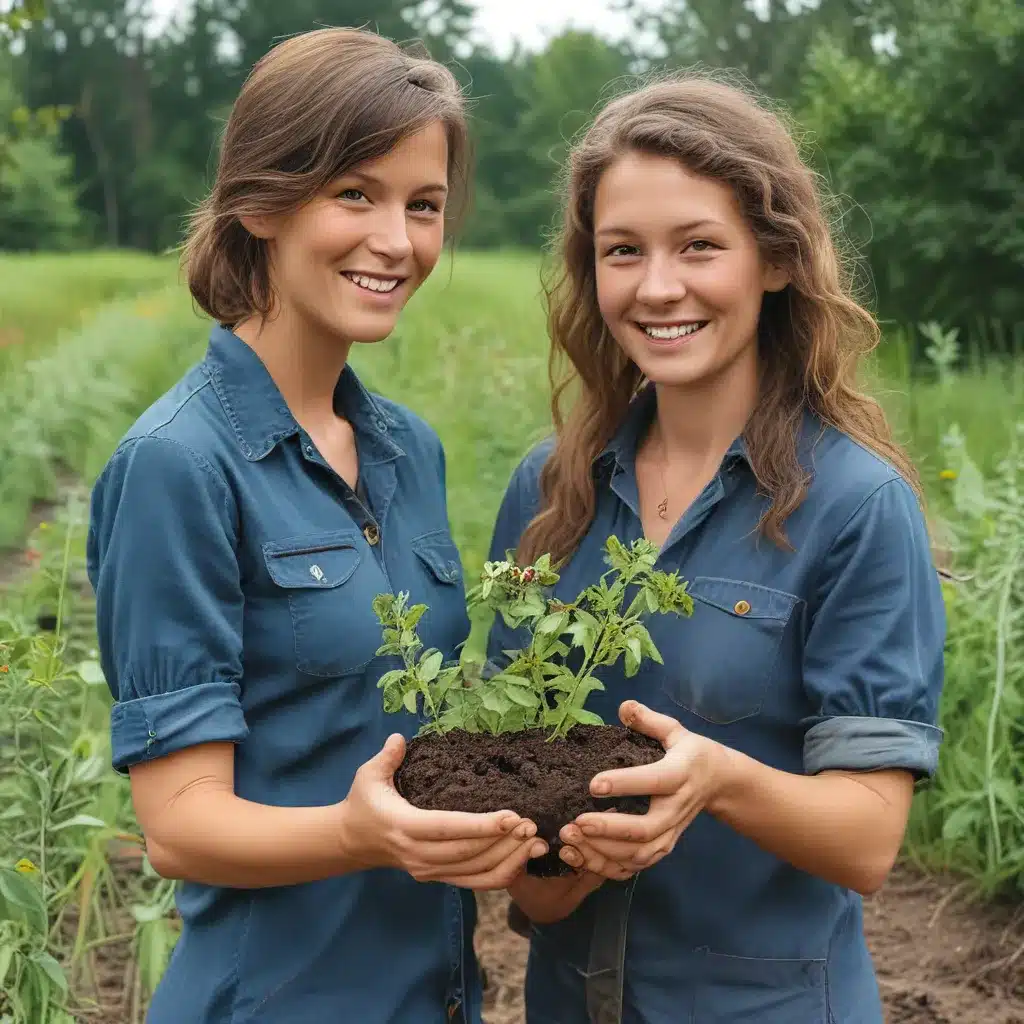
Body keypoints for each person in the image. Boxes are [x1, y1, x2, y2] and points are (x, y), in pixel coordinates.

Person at [86, 28, 545, 1024]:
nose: (397, 240)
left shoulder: (406, 449)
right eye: (355, 194)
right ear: (260, 202)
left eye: (423, 206)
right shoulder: (179, 465)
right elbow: (180, 825)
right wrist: (364, 832)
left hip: (432, 991)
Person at [486, 73, 946, 1024]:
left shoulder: (856, 506)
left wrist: (715, 780)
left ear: (774, 261)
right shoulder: (548, 493)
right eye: (623, 252)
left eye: (699, 246)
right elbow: (517, 837)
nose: (658, 288)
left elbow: (867, 840)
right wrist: (555, 860)